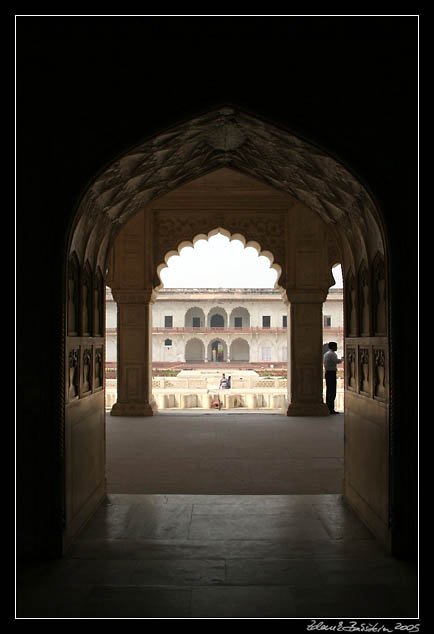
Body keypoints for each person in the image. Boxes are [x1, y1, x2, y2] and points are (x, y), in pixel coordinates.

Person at [323, 342, 342, 414]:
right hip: (331, 373)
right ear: (333, 347)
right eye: (336, 346)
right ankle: (331, 409)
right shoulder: (332, 354)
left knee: (329, 391)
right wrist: (343, 359)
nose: (337, 348)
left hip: (328, 373)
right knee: (332, 391)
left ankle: (329, 408)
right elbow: (337, 361)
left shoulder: (326, 354)